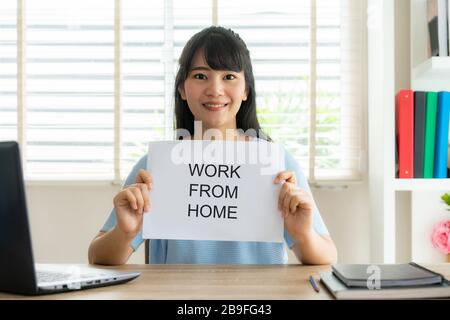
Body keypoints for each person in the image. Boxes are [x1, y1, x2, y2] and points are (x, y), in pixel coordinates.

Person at [88, 26, 337, 265]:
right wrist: (125, 232)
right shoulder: (155, 166)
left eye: (229, 76)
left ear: (246, 89)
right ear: (182, 89)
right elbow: (97, 256)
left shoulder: (277, 164)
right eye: (200, 76)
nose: (215, 89)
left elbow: (327, 255)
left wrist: (303, 235)